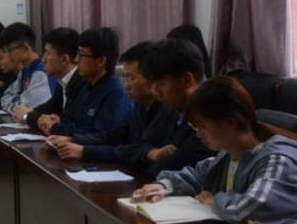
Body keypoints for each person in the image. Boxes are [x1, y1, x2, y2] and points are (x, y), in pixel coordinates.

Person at [132, 76, 297, 224]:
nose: (198, 134)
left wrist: (215, 201)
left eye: (202, 126)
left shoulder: (278, 160)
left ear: (230, 122)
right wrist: (162, 185)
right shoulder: (228, 154)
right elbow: (196, 175)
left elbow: (250, 207)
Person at [48, 41, 169, 170]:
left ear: (152, 78)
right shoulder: (140, 106)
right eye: (125, 78)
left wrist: (84, 151)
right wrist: (74, 140)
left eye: (131, 78)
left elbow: (135, 149)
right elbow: (117, 135)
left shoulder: (166, 110)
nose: (126, 85)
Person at [137, 37, 217, 175]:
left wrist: (149, 158)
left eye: (161, 83)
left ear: (187, 80)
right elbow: (139, 145)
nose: (154, 92)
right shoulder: (172, 106)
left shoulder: (212, 115)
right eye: (152, 83)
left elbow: (167, 168)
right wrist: (151, 153)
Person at [40, 27, 132, 137]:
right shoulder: (83, 87)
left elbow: (102, 135)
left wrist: (56, 127)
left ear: (100, 61)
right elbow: (73, 122)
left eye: (82, 55)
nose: (76, 60)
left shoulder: (115, 94)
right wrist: (58, 122)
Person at [20, 27, 81, 127]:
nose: (43, 60)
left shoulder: (81, 83)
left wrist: (26, 116)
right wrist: (29, 112)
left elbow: (70, 123)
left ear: (64, 59)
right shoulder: (63, 81)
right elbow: (50, 107)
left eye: (48, 54)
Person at [0, 22, 54, 111]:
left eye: (9, 50)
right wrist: (18, 102)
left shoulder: (42, 70)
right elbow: (4, 98)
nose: (8, 55)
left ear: (25, 49)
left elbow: (31, 106)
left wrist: (15, 103)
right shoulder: (24, 71)